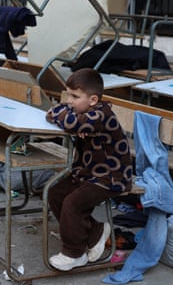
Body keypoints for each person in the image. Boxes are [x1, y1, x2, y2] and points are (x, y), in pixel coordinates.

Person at [45, 68, 133, 271]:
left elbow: (66, 119)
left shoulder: (102, 114)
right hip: (89, 173)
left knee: (72, 203)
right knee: (55, 193)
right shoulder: (84, 113)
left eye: (75, 96)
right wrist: (70, 119)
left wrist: (69, 120)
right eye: (68, 94)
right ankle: (95, 232)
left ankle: (74, 253)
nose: (69, 100)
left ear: (93, 100)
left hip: (111, 177)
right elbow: (58, 113)